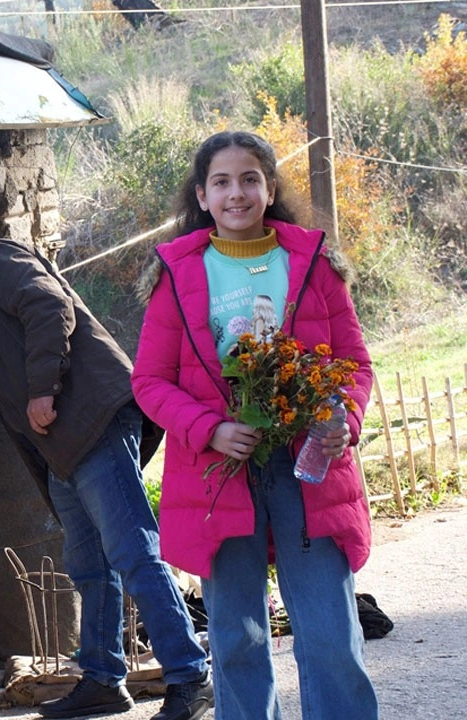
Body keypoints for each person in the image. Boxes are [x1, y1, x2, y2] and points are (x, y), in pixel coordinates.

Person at [0, 229, 213, 720]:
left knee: (133, 550)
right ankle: (102, 679)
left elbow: (50, 306)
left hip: (90, 421)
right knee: (90, 565)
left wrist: (42, 388)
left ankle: (190, 675)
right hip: (64, 447)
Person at [131, 130, 378, 719]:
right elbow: (149, 382)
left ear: (269, 189)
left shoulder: (313, 263)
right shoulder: (175, 273)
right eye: (221, 182)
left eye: (249, 179)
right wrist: (210, 429)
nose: (236, 193)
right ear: (202, 194)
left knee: (329, 635)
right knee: (236, 642)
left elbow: (356, 363)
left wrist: (343, 415)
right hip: (219, 474)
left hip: (310, 469)